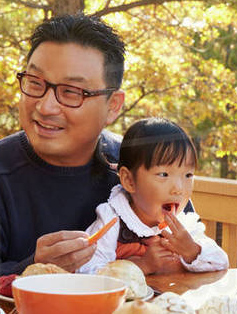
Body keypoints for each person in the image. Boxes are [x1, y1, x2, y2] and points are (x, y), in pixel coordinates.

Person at [0, 15, 126, 285]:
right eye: (35, 83)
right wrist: (34, 270)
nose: (45, 107)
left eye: (71, 92)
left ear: (113, 105)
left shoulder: (140, 168)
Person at [78, 117, 228, 275]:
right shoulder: (112, 219)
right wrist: (142, 265)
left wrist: (192, 251)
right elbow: (85, 270)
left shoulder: (183, 226)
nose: (178, 189)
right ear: (129, 180)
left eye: (188, 175)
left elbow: (221, 262)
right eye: (164, 174)